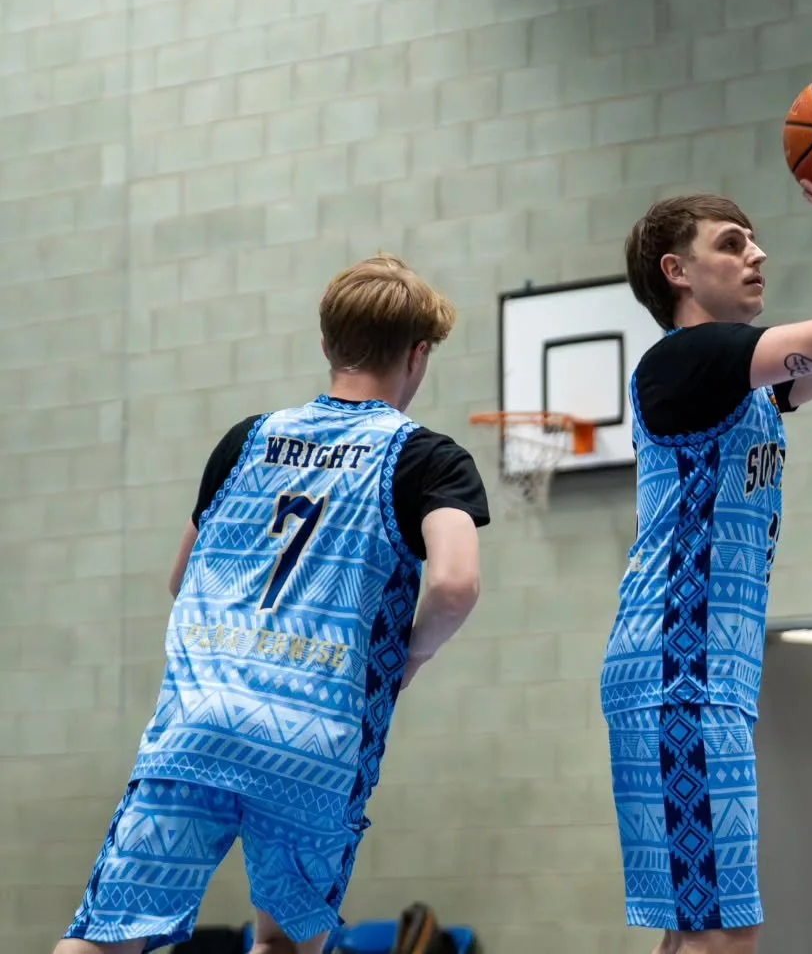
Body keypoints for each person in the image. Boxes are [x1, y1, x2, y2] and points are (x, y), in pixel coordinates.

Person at [54, 254, 492, 954]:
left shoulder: (246, 439)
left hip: (197, 725)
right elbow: (454, 583)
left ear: (326, 343)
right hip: (313, 741)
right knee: (285, 942)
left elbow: (180, 578)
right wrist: (411, 655)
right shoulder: (426, 458)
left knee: (106, 936)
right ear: (419, 354)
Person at [600, 169, 812, 954]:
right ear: (677, 271)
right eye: (732, 244)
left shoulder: (745, 389)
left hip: (704, 674)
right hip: (676, 668)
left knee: (699, 927)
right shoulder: (685, 361)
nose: (758, 256)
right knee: (722, 934)